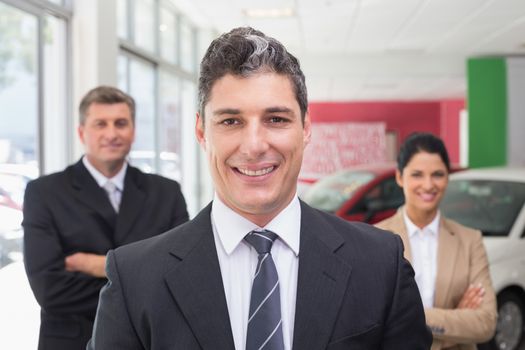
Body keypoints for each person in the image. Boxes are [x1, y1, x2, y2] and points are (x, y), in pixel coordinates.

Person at [88, 27, 431, 350]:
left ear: (306, 128)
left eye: (276, 119)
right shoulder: (135, 279)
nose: (254, 146)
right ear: (202, 132)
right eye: (231, 121)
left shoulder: (379, 264)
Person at [22, 86, 189, 350]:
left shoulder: (166, 192)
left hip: (148, 341)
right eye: (100, 124)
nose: (111, 134)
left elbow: (182, 275)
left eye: (120, 123)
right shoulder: (44, 193)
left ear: (132, 131)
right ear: (81, 132)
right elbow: (49, 290)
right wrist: (140, 278)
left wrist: (96, 265)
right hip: (71, 342)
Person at [376, 132, 497, 350]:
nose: (428, 184)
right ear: (399, 177)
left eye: (438, 174)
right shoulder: (375, 238)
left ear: (448, 178)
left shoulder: (470, 241)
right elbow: (369, 321)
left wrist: (412, 319)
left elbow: (486, 323)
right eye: (417, 175)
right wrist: (456, 319)